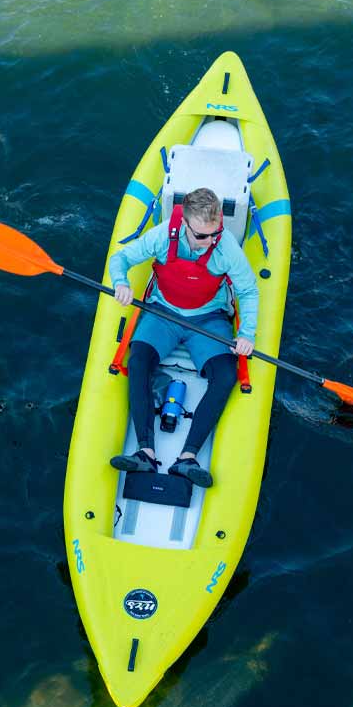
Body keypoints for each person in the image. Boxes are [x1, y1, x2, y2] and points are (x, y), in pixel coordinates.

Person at [109, 186, 258, 488]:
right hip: (163, 312)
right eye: (202, 236)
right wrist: (121, 282)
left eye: (215, 233)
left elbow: (248, 291)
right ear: (185, 224)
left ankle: (187, 458)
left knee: (226, 375)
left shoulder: (226, 247)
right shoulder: (163, 236)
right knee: (138, 361)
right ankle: (145, 452)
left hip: (209, 319)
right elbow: (120, 259)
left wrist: (246, 334)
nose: (210, 242)